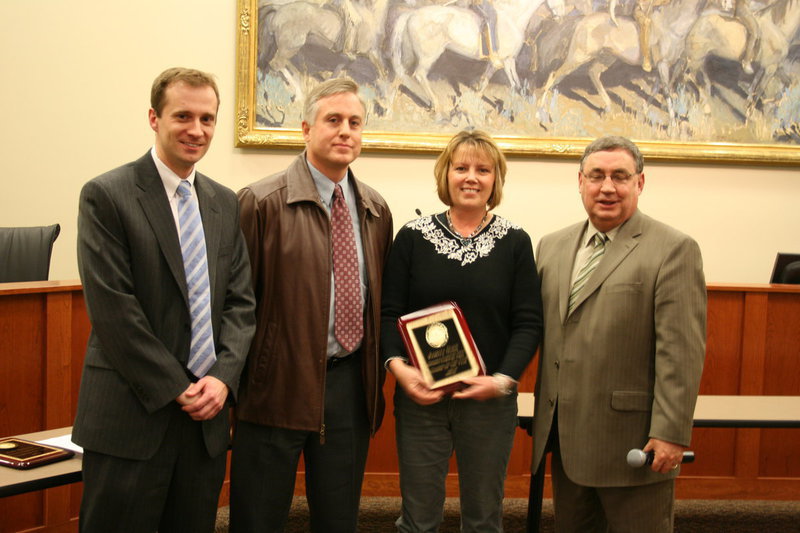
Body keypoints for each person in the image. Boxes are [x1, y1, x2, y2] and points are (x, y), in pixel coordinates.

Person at [73, 67, 256, 532]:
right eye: (183, 116)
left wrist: (222, 380)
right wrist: (178, 386)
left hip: (205, 426)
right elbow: (115, 311)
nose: (197, 130)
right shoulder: (107, 195)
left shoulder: (223, 201)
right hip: (131, 418)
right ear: (154, 118)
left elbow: (240, 304)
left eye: (208, 119)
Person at [230, 78, 393, 533]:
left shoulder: (375, 209)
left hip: (348, 389)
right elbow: (234, 306)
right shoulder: (259, 202)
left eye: (355, 123)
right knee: (257, 520)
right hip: (273, 390)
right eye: (333, 120)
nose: (345, 131)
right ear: (305, 128)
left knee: (338, 521)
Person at [532, 135, 706, 532]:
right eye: (596, 175)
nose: (607, 187)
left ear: (639, 183)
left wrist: (670, 433)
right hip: (566, 440)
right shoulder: (552, 247)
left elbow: (680, 353)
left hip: (635, 444)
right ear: (580, 181)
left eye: (620, 176)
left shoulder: (673, 249)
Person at [381, 130, 543, 533]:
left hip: (489, 403)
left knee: (484, 519)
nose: (471, 177)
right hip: (422, 398)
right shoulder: (412, 237)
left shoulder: (515, 242)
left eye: (483, 169)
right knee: (417, 519)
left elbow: (528, 322)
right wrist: (401, 372)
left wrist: (503, 382)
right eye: (461, 167)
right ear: (446, 175)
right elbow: (388, 314)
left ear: (495, 179)